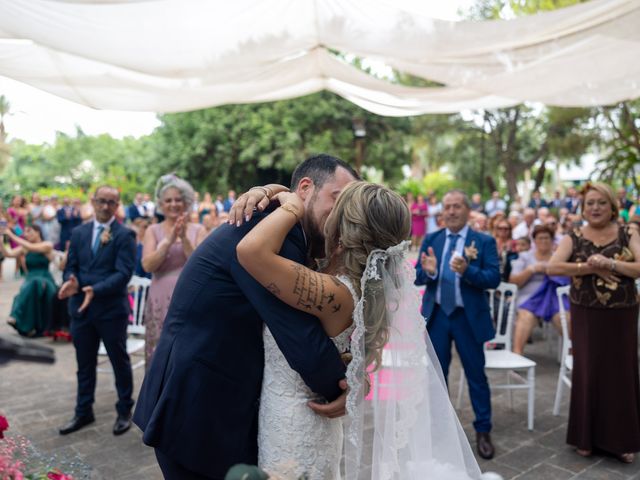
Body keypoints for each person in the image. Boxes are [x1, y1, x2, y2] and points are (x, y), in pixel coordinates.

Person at [133, 155, 358, 479]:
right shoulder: (274, 232)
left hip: (210, 396)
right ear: (305, 189)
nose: (342, 214)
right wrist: (340, 387)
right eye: (338, 199)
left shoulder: (276, 221)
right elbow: (298, 333)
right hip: (197, 405)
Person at [238, 182, 481, 479]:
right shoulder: (341, 279)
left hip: (297, 429)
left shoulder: (339, 292)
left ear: (342, 227)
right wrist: (269, 188)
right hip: (290, 419)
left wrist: (292, 206)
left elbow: (251, 251)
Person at [547, 182, 640, 463]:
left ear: (612, 206)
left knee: (621, 372)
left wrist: (610, 264)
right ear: (583, 207)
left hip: (622, 312)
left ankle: (622, 441)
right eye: (590, 203)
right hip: (586, 313)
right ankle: (585, 438)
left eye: (601, 202)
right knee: (588, 371)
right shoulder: (573, 237)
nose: (595, 208)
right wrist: (589, 266)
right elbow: (552, 267)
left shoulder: (628, 232)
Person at [415, 189, 500, 460]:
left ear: (467, 210)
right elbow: (418, 277)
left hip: (467, 318)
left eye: (456, 206)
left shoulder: (483, 241)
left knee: (476, 376)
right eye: (447, 207)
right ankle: (442, 431)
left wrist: (468, 271)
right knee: (437, 378)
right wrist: (428, 270)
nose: (450, 211)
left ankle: (483, 430)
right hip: (438, 316)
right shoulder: (432, 239)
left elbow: (493, 278)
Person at [57, 185, 136, 437]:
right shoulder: (79, 232)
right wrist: (71, 281)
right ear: (92, 202)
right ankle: (83, 411)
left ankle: (124, 409)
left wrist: (95, 289)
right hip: (80, 311)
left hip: (111, 310)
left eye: (111, 203)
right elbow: (71, 267)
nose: (105, 206)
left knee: (119, 361)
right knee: (84, 363)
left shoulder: (125, 235)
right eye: (101, 201)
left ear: (117, 205)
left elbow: (123, 273)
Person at [141, 174, 206, 366]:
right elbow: (147, 265)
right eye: (168, 200)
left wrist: (184, 238)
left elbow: (201, 266)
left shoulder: (198, 230)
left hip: (190, 297)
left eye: (178, 200)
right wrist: (168, 241)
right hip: (160, 296)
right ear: (161, 204)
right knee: (159, 350)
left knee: (187, 351)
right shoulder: (153, 230)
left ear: (186, 202)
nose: (173, 204)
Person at [510, 225, 562, 354]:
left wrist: (553, 270)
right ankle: (517, 355)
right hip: (529, 297)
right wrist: (531, 270)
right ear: (534, 240)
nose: (544, 241)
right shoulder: (525, 257)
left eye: (547, 238)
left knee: (564, 317)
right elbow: (514, 281)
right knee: (525, 316)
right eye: (540, 238)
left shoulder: (559, 257)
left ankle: (574, 354)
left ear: (552, 240)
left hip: (553, 298)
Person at [1, 224, 57, 337]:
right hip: (30, 279)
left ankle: (16, 315)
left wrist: (12, 235)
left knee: (35, 283)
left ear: (38, 232)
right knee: (32, 284)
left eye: (29, 231)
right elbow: (9, 254)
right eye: (25, 232)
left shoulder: (46, 245)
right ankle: (27, 324)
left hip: (45, 278)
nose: (26, 234)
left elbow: (32, 248)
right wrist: (2, 242)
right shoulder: (25, 248)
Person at [492, 217, 518, 282]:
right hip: (493, 275)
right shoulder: (491, 242)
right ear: (496, 230)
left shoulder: (515, 243)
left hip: (509, 276)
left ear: (510, 230)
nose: (503, 230)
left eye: (506, 228)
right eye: (500, 228)